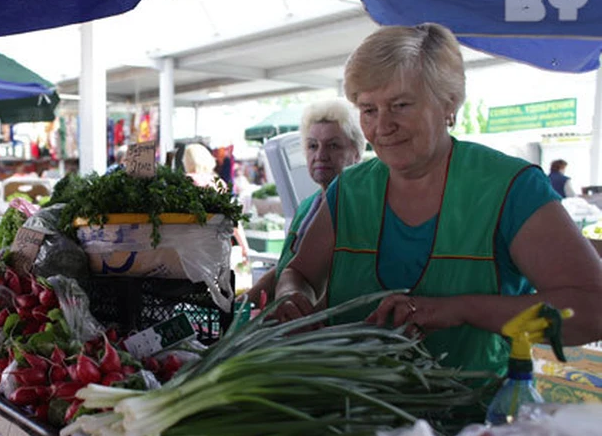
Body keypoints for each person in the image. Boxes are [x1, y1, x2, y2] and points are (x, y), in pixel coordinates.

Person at [274, 23, 602, 375]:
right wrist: (291, 296)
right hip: (349, 409)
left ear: (449, 103)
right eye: (369, 110)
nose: (383, 126)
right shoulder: (349, 191)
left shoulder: (511, 188)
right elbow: (300, 273)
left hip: (477, 418)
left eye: (400, 105)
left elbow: (591, 310)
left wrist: (460, 309)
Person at [245, 99, 365, 303]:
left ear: (356, 153)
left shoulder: (359, 208)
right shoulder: (308, 206)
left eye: (333, 145)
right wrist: (244, 303)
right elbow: (287, 268)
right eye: (312, 146)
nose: (320, 155)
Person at [183, 143, 250, 262]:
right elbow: (233, 218)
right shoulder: (218, 183)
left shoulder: (184, 182)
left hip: (189, 248)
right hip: (215, 247)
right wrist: (244, 247)